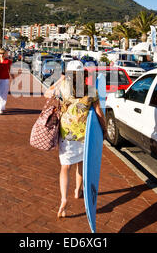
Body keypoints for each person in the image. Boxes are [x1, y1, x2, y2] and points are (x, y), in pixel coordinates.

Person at [44, 60, 107, 218]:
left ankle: (64, 199)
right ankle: (78, 191)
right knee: (81, 164)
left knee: (65, 167)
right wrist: (104, 131)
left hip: (66, 134)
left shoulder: (62, 88)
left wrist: (60, 79)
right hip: (84, 134)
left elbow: (47, 93)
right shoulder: (91, 90)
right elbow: (99, 114)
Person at [0, 48, 20, 114]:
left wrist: (14, 79)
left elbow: (10, 70)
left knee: (3, 94)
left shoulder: (8, 61)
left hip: (5, 79)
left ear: (5, 54)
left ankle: (1, 107)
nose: (2, 55)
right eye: (1, 53)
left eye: (3, 53)